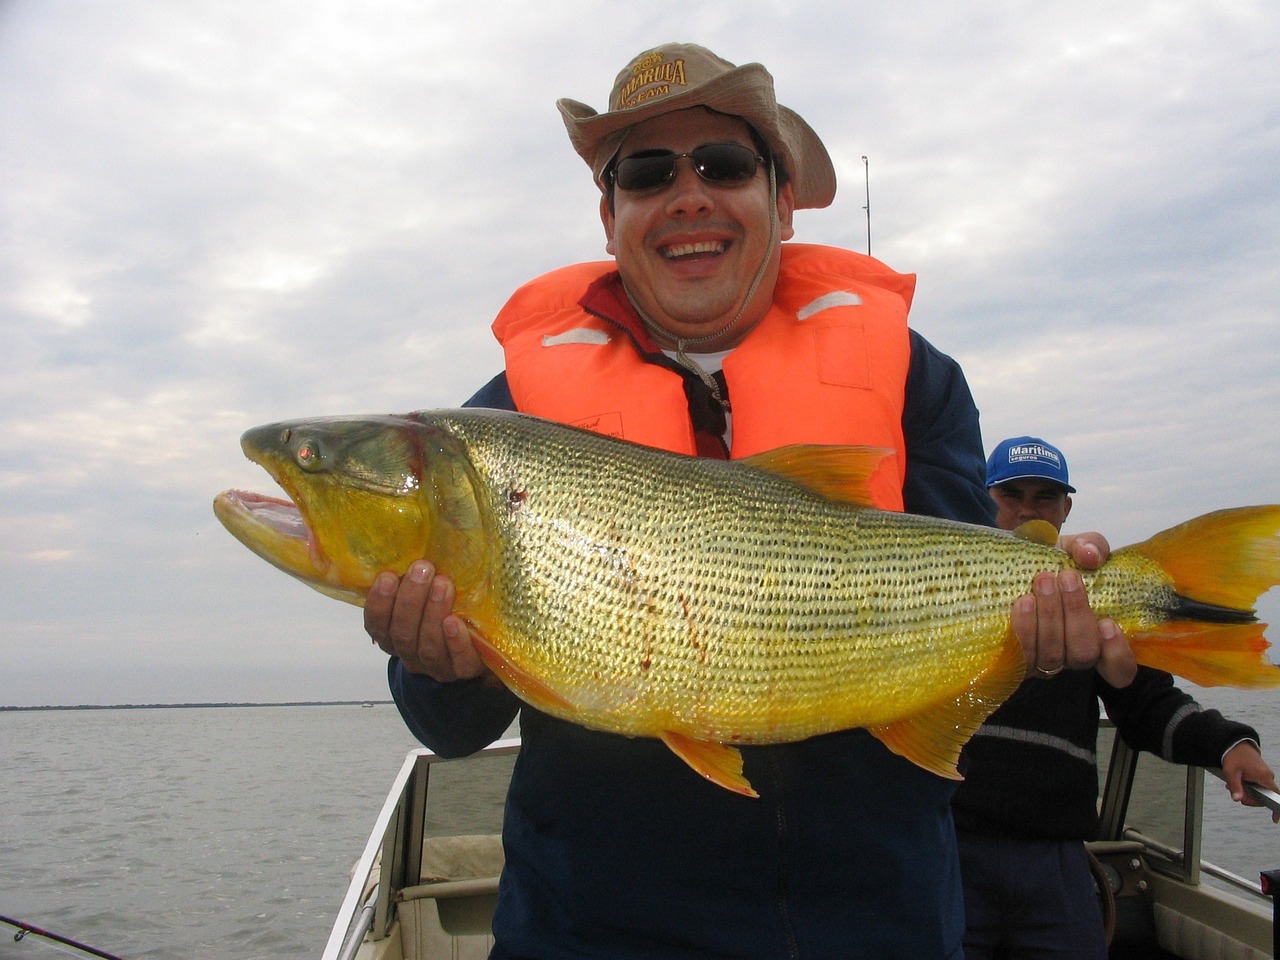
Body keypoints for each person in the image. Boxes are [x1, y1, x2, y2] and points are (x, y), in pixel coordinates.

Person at [363, 44, 1133, 959]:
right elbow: (446, 726)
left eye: (723, 165)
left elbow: (958, 610)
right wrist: (439, 666)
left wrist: (1044, 630)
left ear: (780, 200)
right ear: (611, 219)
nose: (688, 194)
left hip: (878, 922)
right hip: (588, 929)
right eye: (647, 173)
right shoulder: (503, 427)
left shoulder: (917, 381)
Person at [954, 436, 1279, 960]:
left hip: (1058, 861)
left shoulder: (1092, 607)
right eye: (1011, 493)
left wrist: (1228, 745)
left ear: (1066, 509)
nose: (1027, 509)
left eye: (1045, 496)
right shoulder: (940, 586)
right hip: (952, 848)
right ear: (983, 498)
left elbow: (1147, 704)